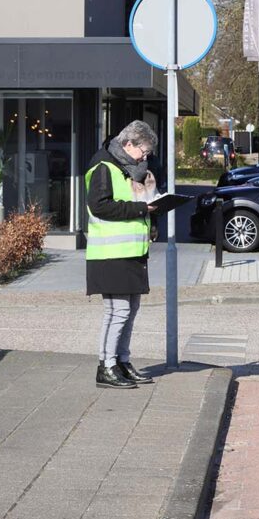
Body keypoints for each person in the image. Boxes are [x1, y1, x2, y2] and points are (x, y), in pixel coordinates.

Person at [85, 120, 160, 389]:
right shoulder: (103, 167)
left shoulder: (132, 170)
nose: (146, 157)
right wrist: (142, 209)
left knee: (131, 309)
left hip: (132, 251)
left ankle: (121, 362)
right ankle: (106, 366)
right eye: (144, 152)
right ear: (128, 144)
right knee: (118, 311)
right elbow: (100, 207)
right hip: (109, 253)